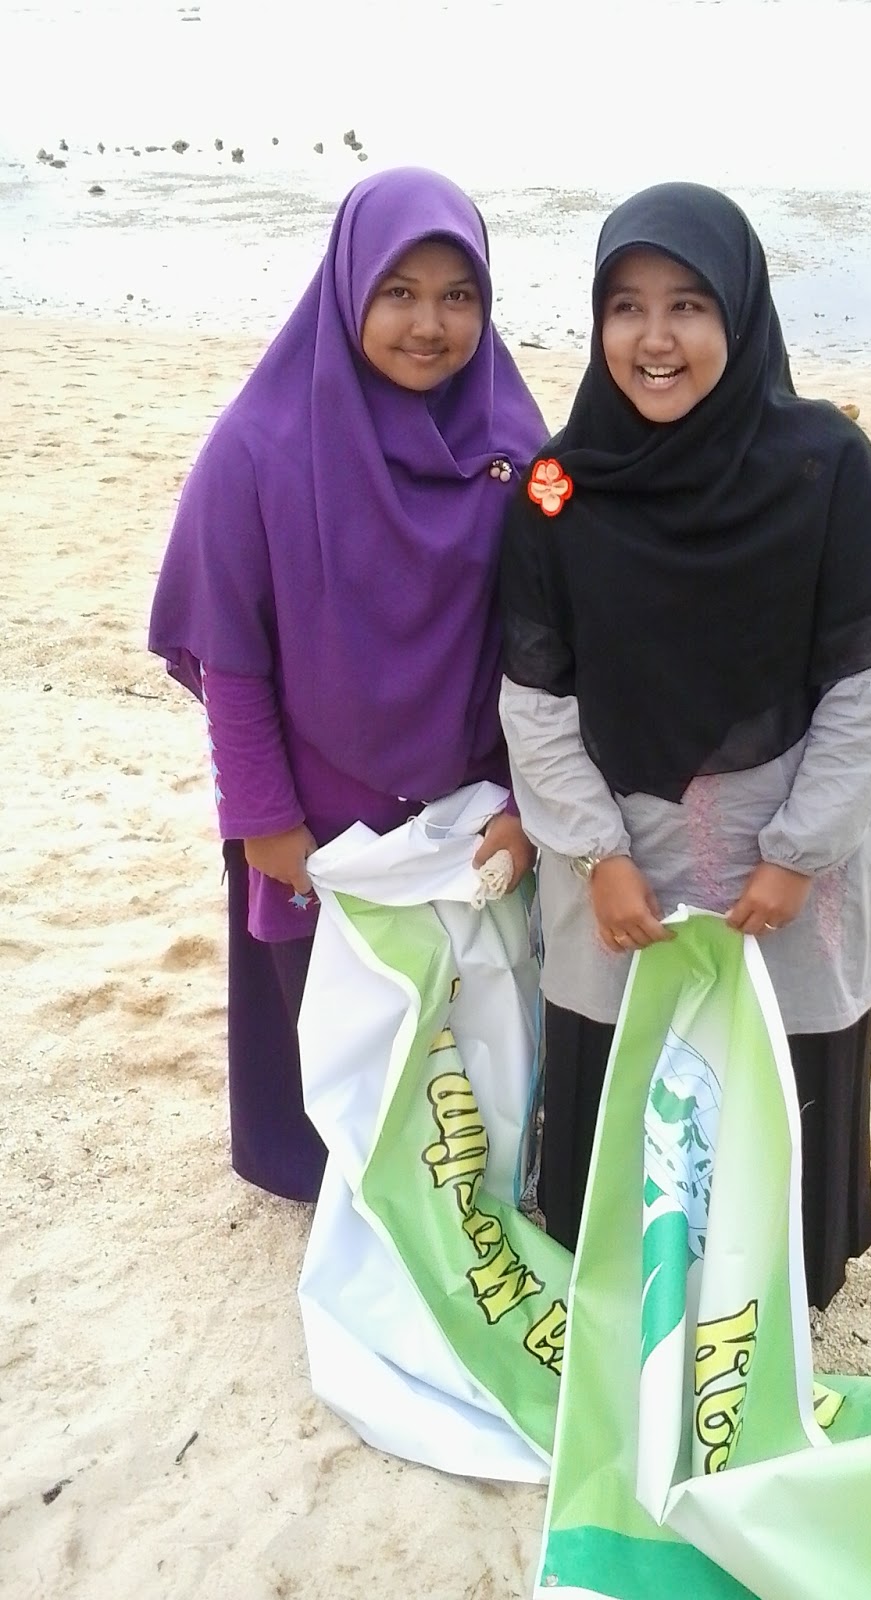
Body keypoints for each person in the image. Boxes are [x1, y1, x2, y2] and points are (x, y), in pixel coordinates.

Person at [499, 183, 871, 1310]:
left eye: (687, 305)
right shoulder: (558, 490)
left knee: (781, 1058)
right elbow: (535, 700)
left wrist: (797, 855)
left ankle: (778, 1277)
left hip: (787, 864)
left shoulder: (826, 465)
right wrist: (598, 855)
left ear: (739, 310)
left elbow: (863, 692)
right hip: (623, 862)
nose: (655, 339)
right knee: (621, 1075)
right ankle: (618, 1269)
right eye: (626, 307)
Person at [149, 168, 546, 1202]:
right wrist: (262, 818)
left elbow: (555, 644)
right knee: (327, 1022)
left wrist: (526, 800)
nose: (429, 324)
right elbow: (230, 655)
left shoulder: (521, 453)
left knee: (462, 1034)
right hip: (315, 814)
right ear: (348, 288)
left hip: (467, 816)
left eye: (458, 295)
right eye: (399, 292)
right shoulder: (257, 448)